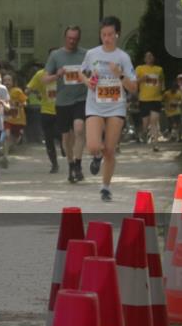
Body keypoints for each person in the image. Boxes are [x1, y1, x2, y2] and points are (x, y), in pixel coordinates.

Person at [82, 16, 138, 202]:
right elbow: (82, 74)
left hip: (116, 106)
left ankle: (105, 187)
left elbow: (133, 87)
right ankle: (95, 157)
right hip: (95, 104)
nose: (107, 38)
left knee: (110, 150)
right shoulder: (92, 54)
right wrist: (88, 81)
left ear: (117, 35)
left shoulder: (123, 57)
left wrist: (120, 74)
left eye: (110, 34)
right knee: (93, 146)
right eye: (104, 34)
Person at [44, 26, 88, 183]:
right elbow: (44, 79)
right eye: (70, 38)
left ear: (79, 39)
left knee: (79, 128)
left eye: (75, 39)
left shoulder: (85, 55)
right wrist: (57, 75)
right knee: (66, 137)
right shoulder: (56, 56)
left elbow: (94, 74)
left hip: (81, 99)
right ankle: (70, 165)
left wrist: (89, 78)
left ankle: (78, 163)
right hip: (62, 101)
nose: (72, 41)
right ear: (65, 38)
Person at [27, 52, 61, 173]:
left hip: (62, 109)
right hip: (46, 110)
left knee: (62, 134)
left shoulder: (64, 73)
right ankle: (54, 164)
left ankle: (64, 146)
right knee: (49, 139)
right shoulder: (40, 74)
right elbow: (29, 88)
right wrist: (31, 93)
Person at [135, 51, 164, 151]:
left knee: (154, 122)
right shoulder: (140, 68)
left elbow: (161, 83)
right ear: (144, 59)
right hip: (144, 99)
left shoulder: (159, 69)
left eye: (151, 56)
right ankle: (143, 132)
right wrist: (141, 79)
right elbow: (133, 81)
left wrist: (161, 93)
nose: (149, 57)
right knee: (145, 123)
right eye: (147, 56)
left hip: (156, 99)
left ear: (153, 58)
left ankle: (155, 144)